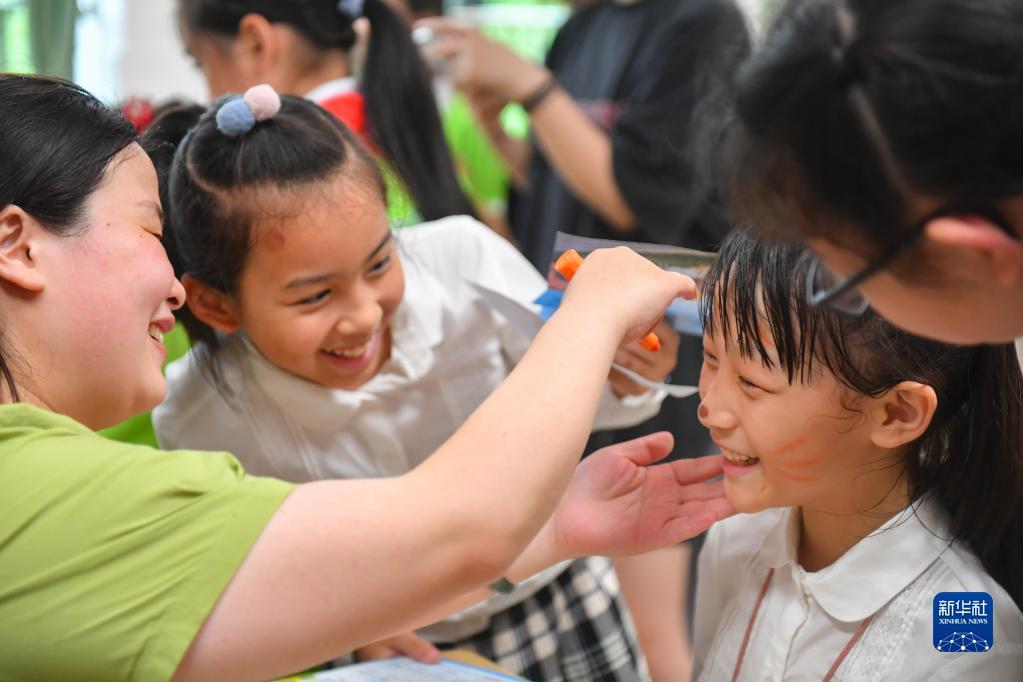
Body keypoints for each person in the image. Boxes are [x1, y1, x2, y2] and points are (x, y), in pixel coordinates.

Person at [0, 74, 733, 681]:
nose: (171, 288)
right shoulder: (153, 442)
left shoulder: (459, 265)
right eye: (148, 231)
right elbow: (437, 542)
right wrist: (592, 313)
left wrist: (617, 380)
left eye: (381, 262)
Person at [424, 3, 749, 677]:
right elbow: (551, 188)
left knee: (653, 624)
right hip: (577, 341)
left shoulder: (700, 24)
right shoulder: (578, 28)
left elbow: (635, 198)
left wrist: (531, 88)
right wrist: (499, 123)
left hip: (657, 351)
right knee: (590, 561)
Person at [692, 229, 1023, 680]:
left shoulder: (965, 635)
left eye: (752, 382)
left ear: (897, 414)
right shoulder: (735, 539)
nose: (709, 407)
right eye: (710, 355)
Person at [177, 0, 475, 226]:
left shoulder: (290, 169)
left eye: (202, 63)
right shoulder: (396, 124)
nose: (209, 97)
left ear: (257, 44)